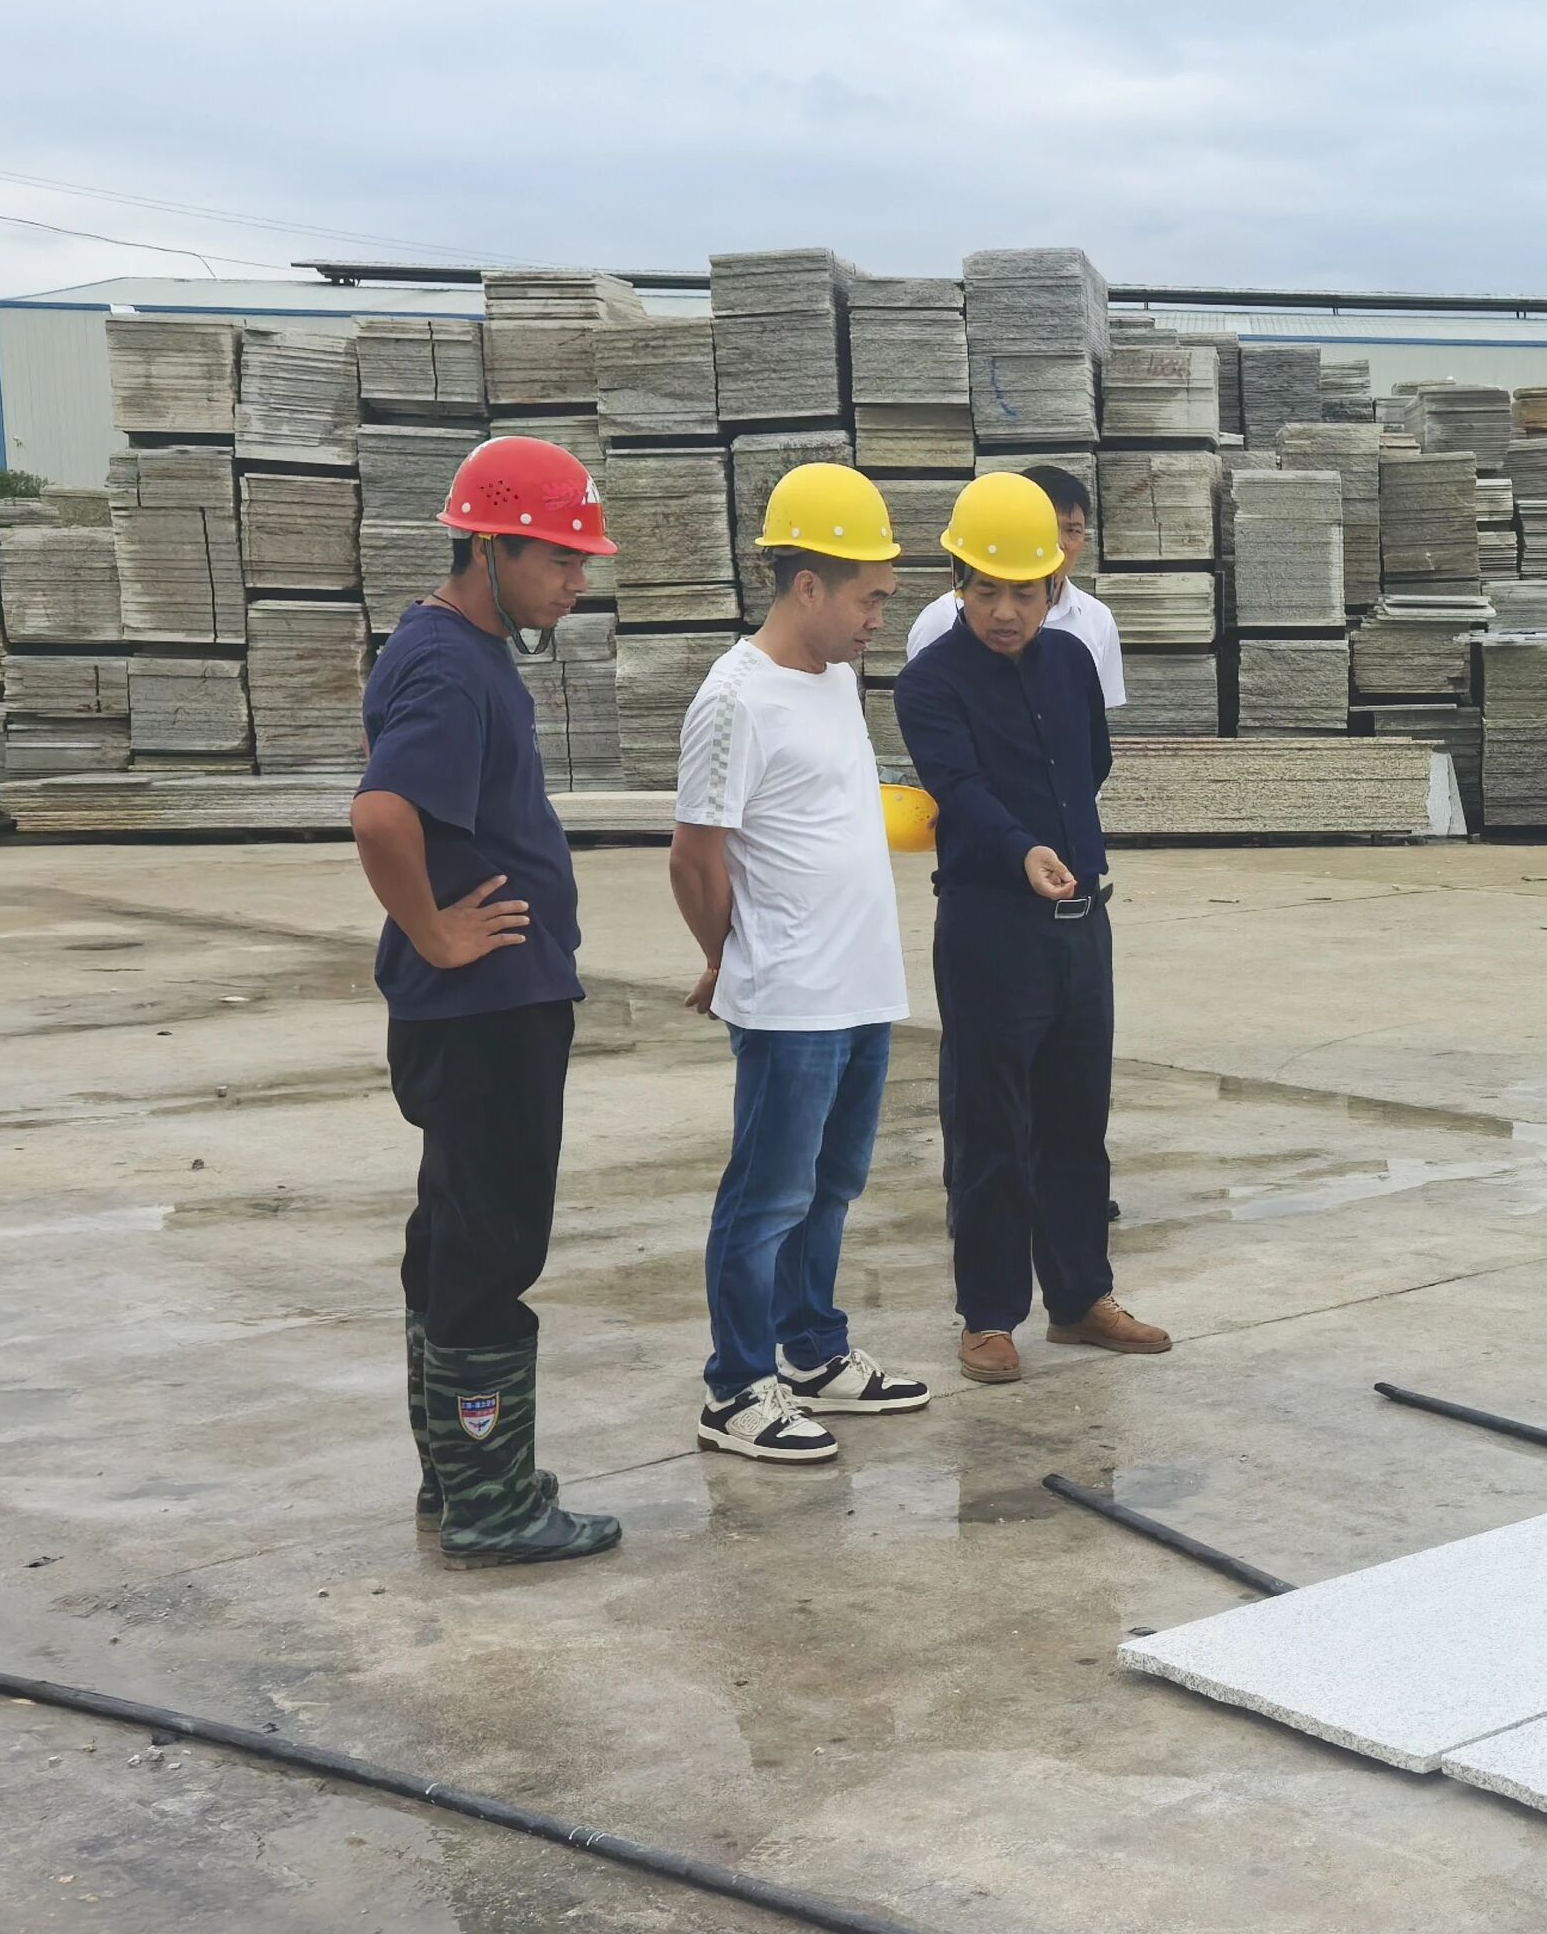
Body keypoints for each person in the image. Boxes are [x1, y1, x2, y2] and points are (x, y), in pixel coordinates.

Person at [350, 434, 621, 1568]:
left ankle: (462, 1477)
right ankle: (491, 1506)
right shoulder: (452, 667)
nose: (576, 580)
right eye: (558, 558)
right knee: (490, 1246)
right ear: (489, 547)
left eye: (580, 559)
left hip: (487, 1006)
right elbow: (382, 815)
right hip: (485, 1012)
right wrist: (434, 929)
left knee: (455, 1235)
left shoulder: (459, 649)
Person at [669, 462, 932, 1466]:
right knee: (767, 1196)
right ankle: (736, 1386)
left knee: (831, 1184)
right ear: (809, 584)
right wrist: (724, 956)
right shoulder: (734, 699)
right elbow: (695, 855)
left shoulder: (834, 677)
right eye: (868, 597)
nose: (878, 618)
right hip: (790, 999)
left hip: (860, 986)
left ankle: (812, 1350)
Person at [892, 472, 1167, 1384]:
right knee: (991, 1125)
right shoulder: (929, 682)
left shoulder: (1072, 661)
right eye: (985, 590)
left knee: (1077, 1118)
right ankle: (989, 1313)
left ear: (1055, 583)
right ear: (957, 582)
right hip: (990, 927)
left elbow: (1094, 760)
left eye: (1024, 591)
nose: (1004, 611)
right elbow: (958, 788)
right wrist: (1023, 851)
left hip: (1082, 925)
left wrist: (1064, 853)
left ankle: (1081, 1296)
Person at [902, 462, 1125, 713]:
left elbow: (1096, 718)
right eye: (1046, 529)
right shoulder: (940, 619)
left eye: (1072, 530)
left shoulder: (1098, 620)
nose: (1059, 544)